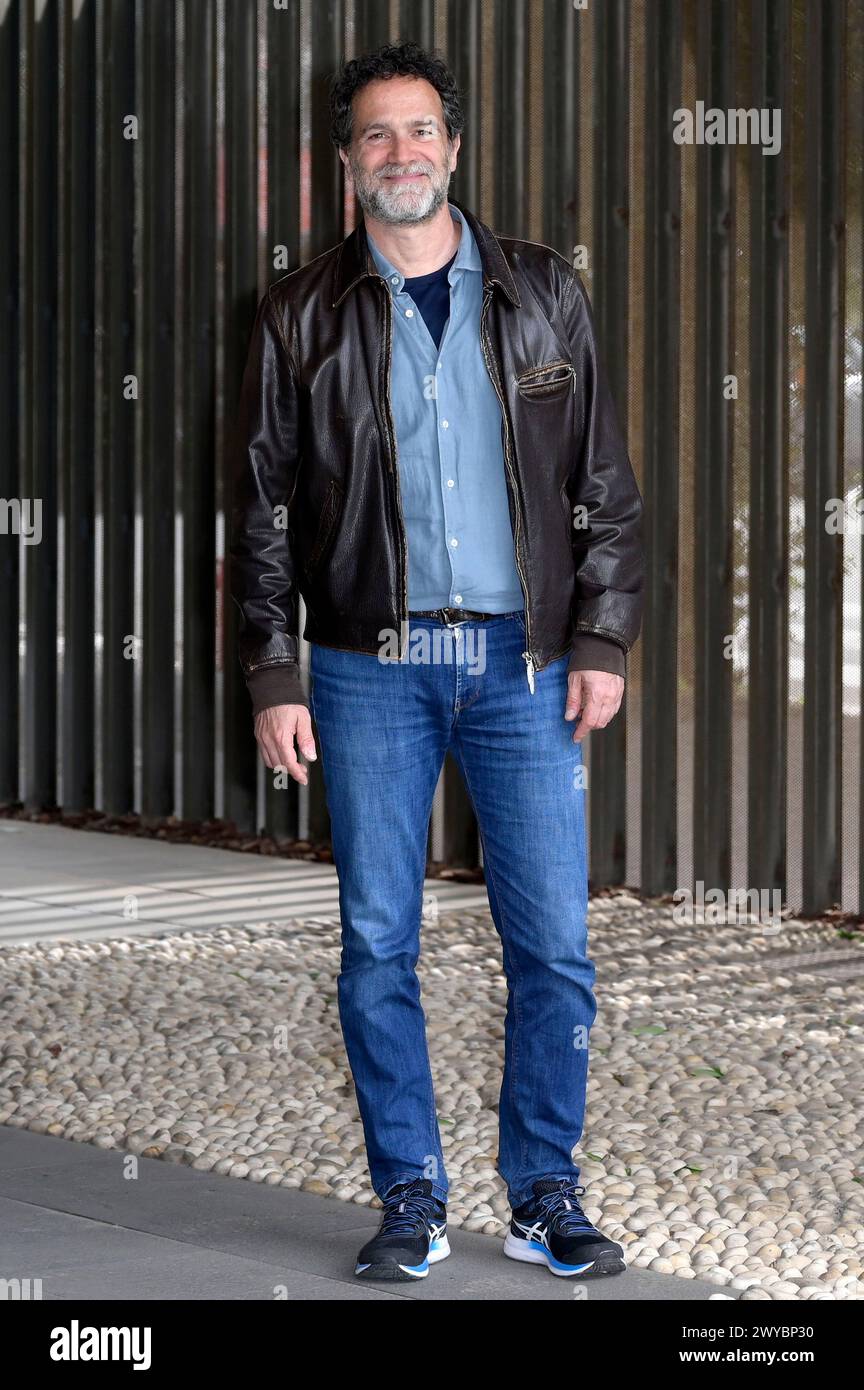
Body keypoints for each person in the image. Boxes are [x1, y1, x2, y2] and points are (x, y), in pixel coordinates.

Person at [229, 40, 644, 1282]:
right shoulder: (299, 310)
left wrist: (604, 635)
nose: (400, 153)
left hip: (523, 666)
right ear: (346, 161)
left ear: (453, 149)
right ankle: (409, 1193)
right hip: (365, 671)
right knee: (376, 943)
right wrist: (273, 670)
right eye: (375, 135)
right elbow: (261, 509)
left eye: (420, 131)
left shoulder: (542, 291)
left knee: (555, 949)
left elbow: (603, 484)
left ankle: (543, 1192)